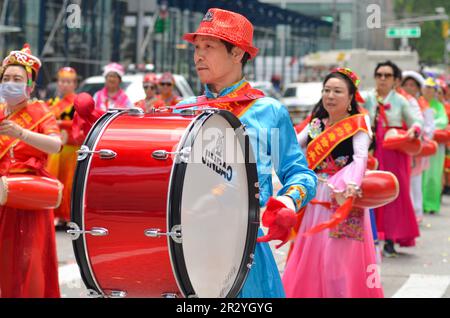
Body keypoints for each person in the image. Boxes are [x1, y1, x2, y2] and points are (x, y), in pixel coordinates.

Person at [178, 8, 317, 297]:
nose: (198, 56)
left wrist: (288, 202)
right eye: (196, 47)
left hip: (244, 247)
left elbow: (301, 174)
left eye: (209, 47)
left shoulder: (269, 111)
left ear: (238, 54)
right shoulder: (185, 109)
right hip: (185, 246)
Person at [283, 68, 383, 298]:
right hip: (316, 197)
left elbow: (360, 159)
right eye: (326, 90)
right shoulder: (316, 124)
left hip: (343, 195)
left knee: (338, 262)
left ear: (350, 98)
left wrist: (351, 185)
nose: (330, 96)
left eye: (337, 91)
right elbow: (293, 149)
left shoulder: (358, 125)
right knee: (313, 254)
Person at [0, 44, 62, 297]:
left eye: (17, 79)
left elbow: (56, 145)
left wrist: (22, 133)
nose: (10, 83)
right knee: (5, 258)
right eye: (5, 78)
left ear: (30, 86)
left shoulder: (40, 112)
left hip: (30, 194)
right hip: (2, 194)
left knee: (31, 259)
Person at [362, 61, 423, 257]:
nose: (382, 78)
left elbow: (416, 121)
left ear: (396, 80)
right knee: (369, 191)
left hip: (394, 151)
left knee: (395, 193)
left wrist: (414, 130)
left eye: (387, 75)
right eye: (379, 74)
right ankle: (371, 238)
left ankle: (391, 238)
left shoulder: (401, 101)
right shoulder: (367, 98)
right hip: (371, 149)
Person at [46, 67, 80, 227]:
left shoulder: (78, 103)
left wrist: (60, 123)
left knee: (68, 183)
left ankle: (67, 216)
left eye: (68, 82)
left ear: (74, 84)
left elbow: (81, 124)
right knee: (54, 180)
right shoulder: (52, 102)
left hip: (70, 149)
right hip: (55, 151)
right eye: (62, 81)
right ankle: (55, 214)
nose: (64, 85)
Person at [401, 71, 435, 223]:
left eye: (412, 85)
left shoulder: (423, 106)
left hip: (416, 149)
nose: (409, 88)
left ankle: (416, 213)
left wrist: (419, 135)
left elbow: (429, 128)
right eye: (406, 84)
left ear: (417, 88)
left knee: (415, 181)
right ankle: (405, 214)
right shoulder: (398, 102)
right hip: (400, 146)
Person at [422, 77, 448, 214]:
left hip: (435, 146)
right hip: (420, 145)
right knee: (419, 176)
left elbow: (443, 121)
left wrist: (429, 129)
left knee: (433, 175)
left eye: (432, 89)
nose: (429, 91)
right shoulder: (419, 103)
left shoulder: (439, 106)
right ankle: (419, 205)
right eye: (427, 88)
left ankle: (431, 204)